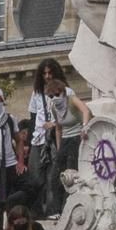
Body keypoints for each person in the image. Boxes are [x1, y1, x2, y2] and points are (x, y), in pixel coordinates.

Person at [44, 77, 92, 217]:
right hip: (65, 139)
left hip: (77, 137)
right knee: (56, 176)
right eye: (51, 96)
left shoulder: (71, 100)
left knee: (72, 175)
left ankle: (71, 208)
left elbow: (85, 111)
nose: (55, 98)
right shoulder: (54, 107)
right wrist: (59, 149)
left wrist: (84, 127)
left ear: (63, 92)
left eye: (57, 94)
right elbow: (58, 128)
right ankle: (56, 210)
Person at [27, 59, 65, 216]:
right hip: (39, 139)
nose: (48, 77)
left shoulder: (63, 91)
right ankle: (36, 211)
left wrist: (56, 124)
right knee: (35, 177)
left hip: (56, 138)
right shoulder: (36, 94)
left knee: (52, 178)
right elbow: (32, 118)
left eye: (50, 73)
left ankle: (52, 210)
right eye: (45, 73)